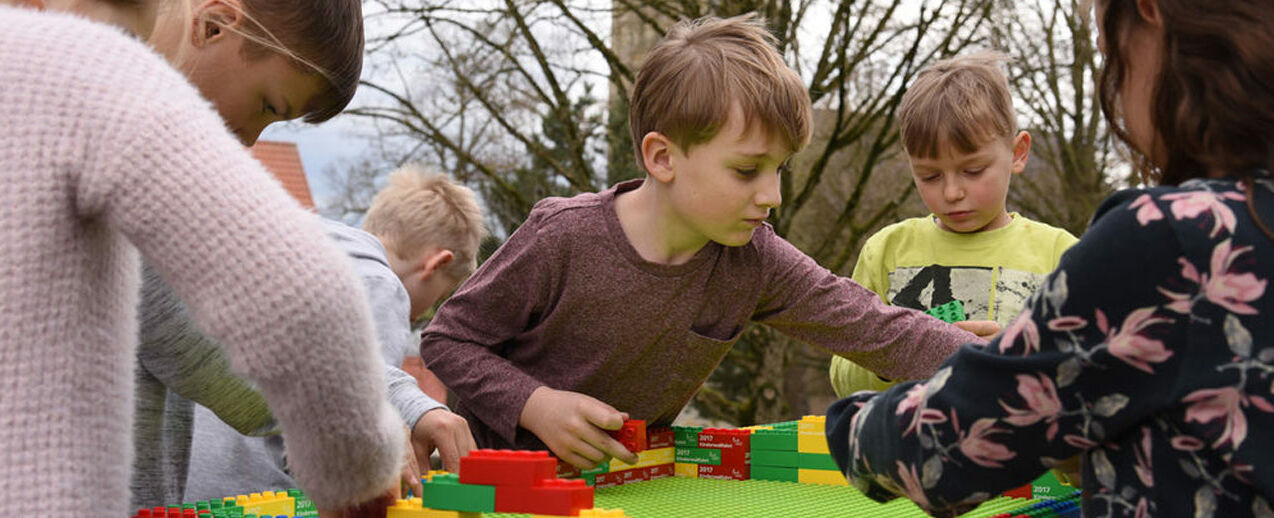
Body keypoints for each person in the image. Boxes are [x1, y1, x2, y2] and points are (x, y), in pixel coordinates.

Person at [419, 14, 996, 471]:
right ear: (663, 157)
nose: (771, 195)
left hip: (627, 485)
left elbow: (874, 325)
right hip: (493, 483)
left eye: (780, 169)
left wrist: (1004, 363)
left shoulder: (755, 258)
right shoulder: (562, 236)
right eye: (747, 171)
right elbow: (449, 339)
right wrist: (535, 404)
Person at [825, 0, 1274, 516]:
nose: (1115, 92)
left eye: (1111, 57)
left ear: (1150, 19)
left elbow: (953, 445)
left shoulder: (1168, 239)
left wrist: (851, 427)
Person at [0, 3, 402, 517]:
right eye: (269, 105)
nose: (256, 140)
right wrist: (360, 475)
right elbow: (312, 302)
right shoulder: (105, 83)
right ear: (213, 23)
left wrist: (401, 399)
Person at [182, 167, 484, 502]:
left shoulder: (289, 251)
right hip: (263, 493)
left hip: (189, 481)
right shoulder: (379, 283)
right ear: (436, 264)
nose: (423, 314)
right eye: (439, 297)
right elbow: (352, 420)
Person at [828, 52, 1077, 397]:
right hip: (907, 446)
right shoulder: (886, 250)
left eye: (973, 171)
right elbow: (842, 375)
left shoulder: (1061, 254)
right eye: (929, 175)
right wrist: (900, 354)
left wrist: (1017, 358)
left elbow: (1095, 367)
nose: (952, 192)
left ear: (1018, 152)